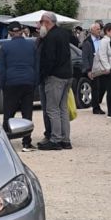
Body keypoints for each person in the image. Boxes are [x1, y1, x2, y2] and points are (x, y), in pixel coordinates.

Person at [0, 22, 36, 151]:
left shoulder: (5, 47)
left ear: (9, 33)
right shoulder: (31, 45)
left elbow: (2, 69)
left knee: (8, 113)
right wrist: (35, 81)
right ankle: (26, 142)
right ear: (21, 31)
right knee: (27, 113)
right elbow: (36, 64)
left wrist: (2, 85)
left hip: (11, 82)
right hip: (28, 81)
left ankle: (6, 141)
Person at [38, 11, 73, 151]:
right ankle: (65, 140)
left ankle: (55, 139)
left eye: (41, 22)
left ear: (47, 22)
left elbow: (49, 59)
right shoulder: (64, 33)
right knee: (63, 108)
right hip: (67, 75)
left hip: (55, 77)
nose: (40, 25)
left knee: (52, 109)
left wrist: (44, 75)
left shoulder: (50, 37)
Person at [81, 22, 105, 114]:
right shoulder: (87, 42)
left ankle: (97, 103)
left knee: (103, 87)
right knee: (95, 88)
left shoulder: (102, 40)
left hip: (103, 68)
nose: (99, 31)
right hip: (93, 69)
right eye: (97, 29)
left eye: (100, 29)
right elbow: (85, 57)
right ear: (92, 30)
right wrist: (88, 70)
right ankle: (96, 107)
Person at [92, 23, 111, 116]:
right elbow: (103, 56)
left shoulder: (109, 41)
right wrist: (108, 68)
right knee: (110, 90)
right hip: (107, 69)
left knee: (107, 89)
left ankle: (110, 109)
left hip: (108, 68)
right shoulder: (104, 41)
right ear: (107, 31)